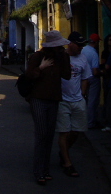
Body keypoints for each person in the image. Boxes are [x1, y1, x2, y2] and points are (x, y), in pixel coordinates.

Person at [25, 30, 71, 186]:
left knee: (50, 135)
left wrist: (65, 58)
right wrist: (41, 67)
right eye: (57, 46)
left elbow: (67, 75)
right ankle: (38, 171)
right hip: (38, 99)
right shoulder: (38, 57)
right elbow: (29, 75)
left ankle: (45, 169)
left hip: (54, 99)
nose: (60, 48)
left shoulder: (61, 57)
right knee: (41, 134)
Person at [56, 32, 91, 177]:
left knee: (77, 131)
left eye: (82, 45)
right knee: (64, 132)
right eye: (79, 45)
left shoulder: (83, 58)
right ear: (70, 44)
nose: (81, 48)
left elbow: (85, 78)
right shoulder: (61, 57)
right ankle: (67, 163)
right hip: (62, 100)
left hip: (77, 99)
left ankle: (63, 152)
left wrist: (82, 94)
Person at [82, 33, 103, 129]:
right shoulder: (94, 53)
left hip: (83, 77)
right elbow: (95, 71)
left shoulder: (83, 50)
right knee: (92, 100)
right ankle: (91, 122)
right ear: (96, 42)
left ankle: (84, 120)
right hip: (92, 78)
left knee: (83, 99)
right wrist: (102, 73)